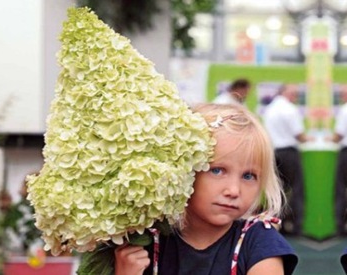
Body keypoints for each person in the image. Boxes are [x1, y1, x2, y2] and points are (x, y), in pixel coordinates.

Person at [112, 104, 298, 275]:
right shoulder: (142, 241)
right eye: (217, 171)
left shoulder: (260, 243)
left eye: (248, 176)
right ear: (183, 169)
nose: (234, 190)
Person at [263, 84, 312, 236]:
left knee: (277, 191)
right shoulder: (290, 109)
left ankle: (275, 225)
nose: (295, 96)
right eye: (293, 93)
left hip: (273, 153)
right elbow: (299, 135)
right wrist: (311, 139)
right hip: (289, 153)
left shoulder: (269, 109)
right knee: (297, 189)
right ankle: (296, 227)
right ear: (284, 92)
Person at [325, 84, 347, 236]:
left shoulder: (345, 110)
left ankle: (340, 227)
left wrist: (328, 139)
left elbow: (338, 135)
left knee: (340, 190)